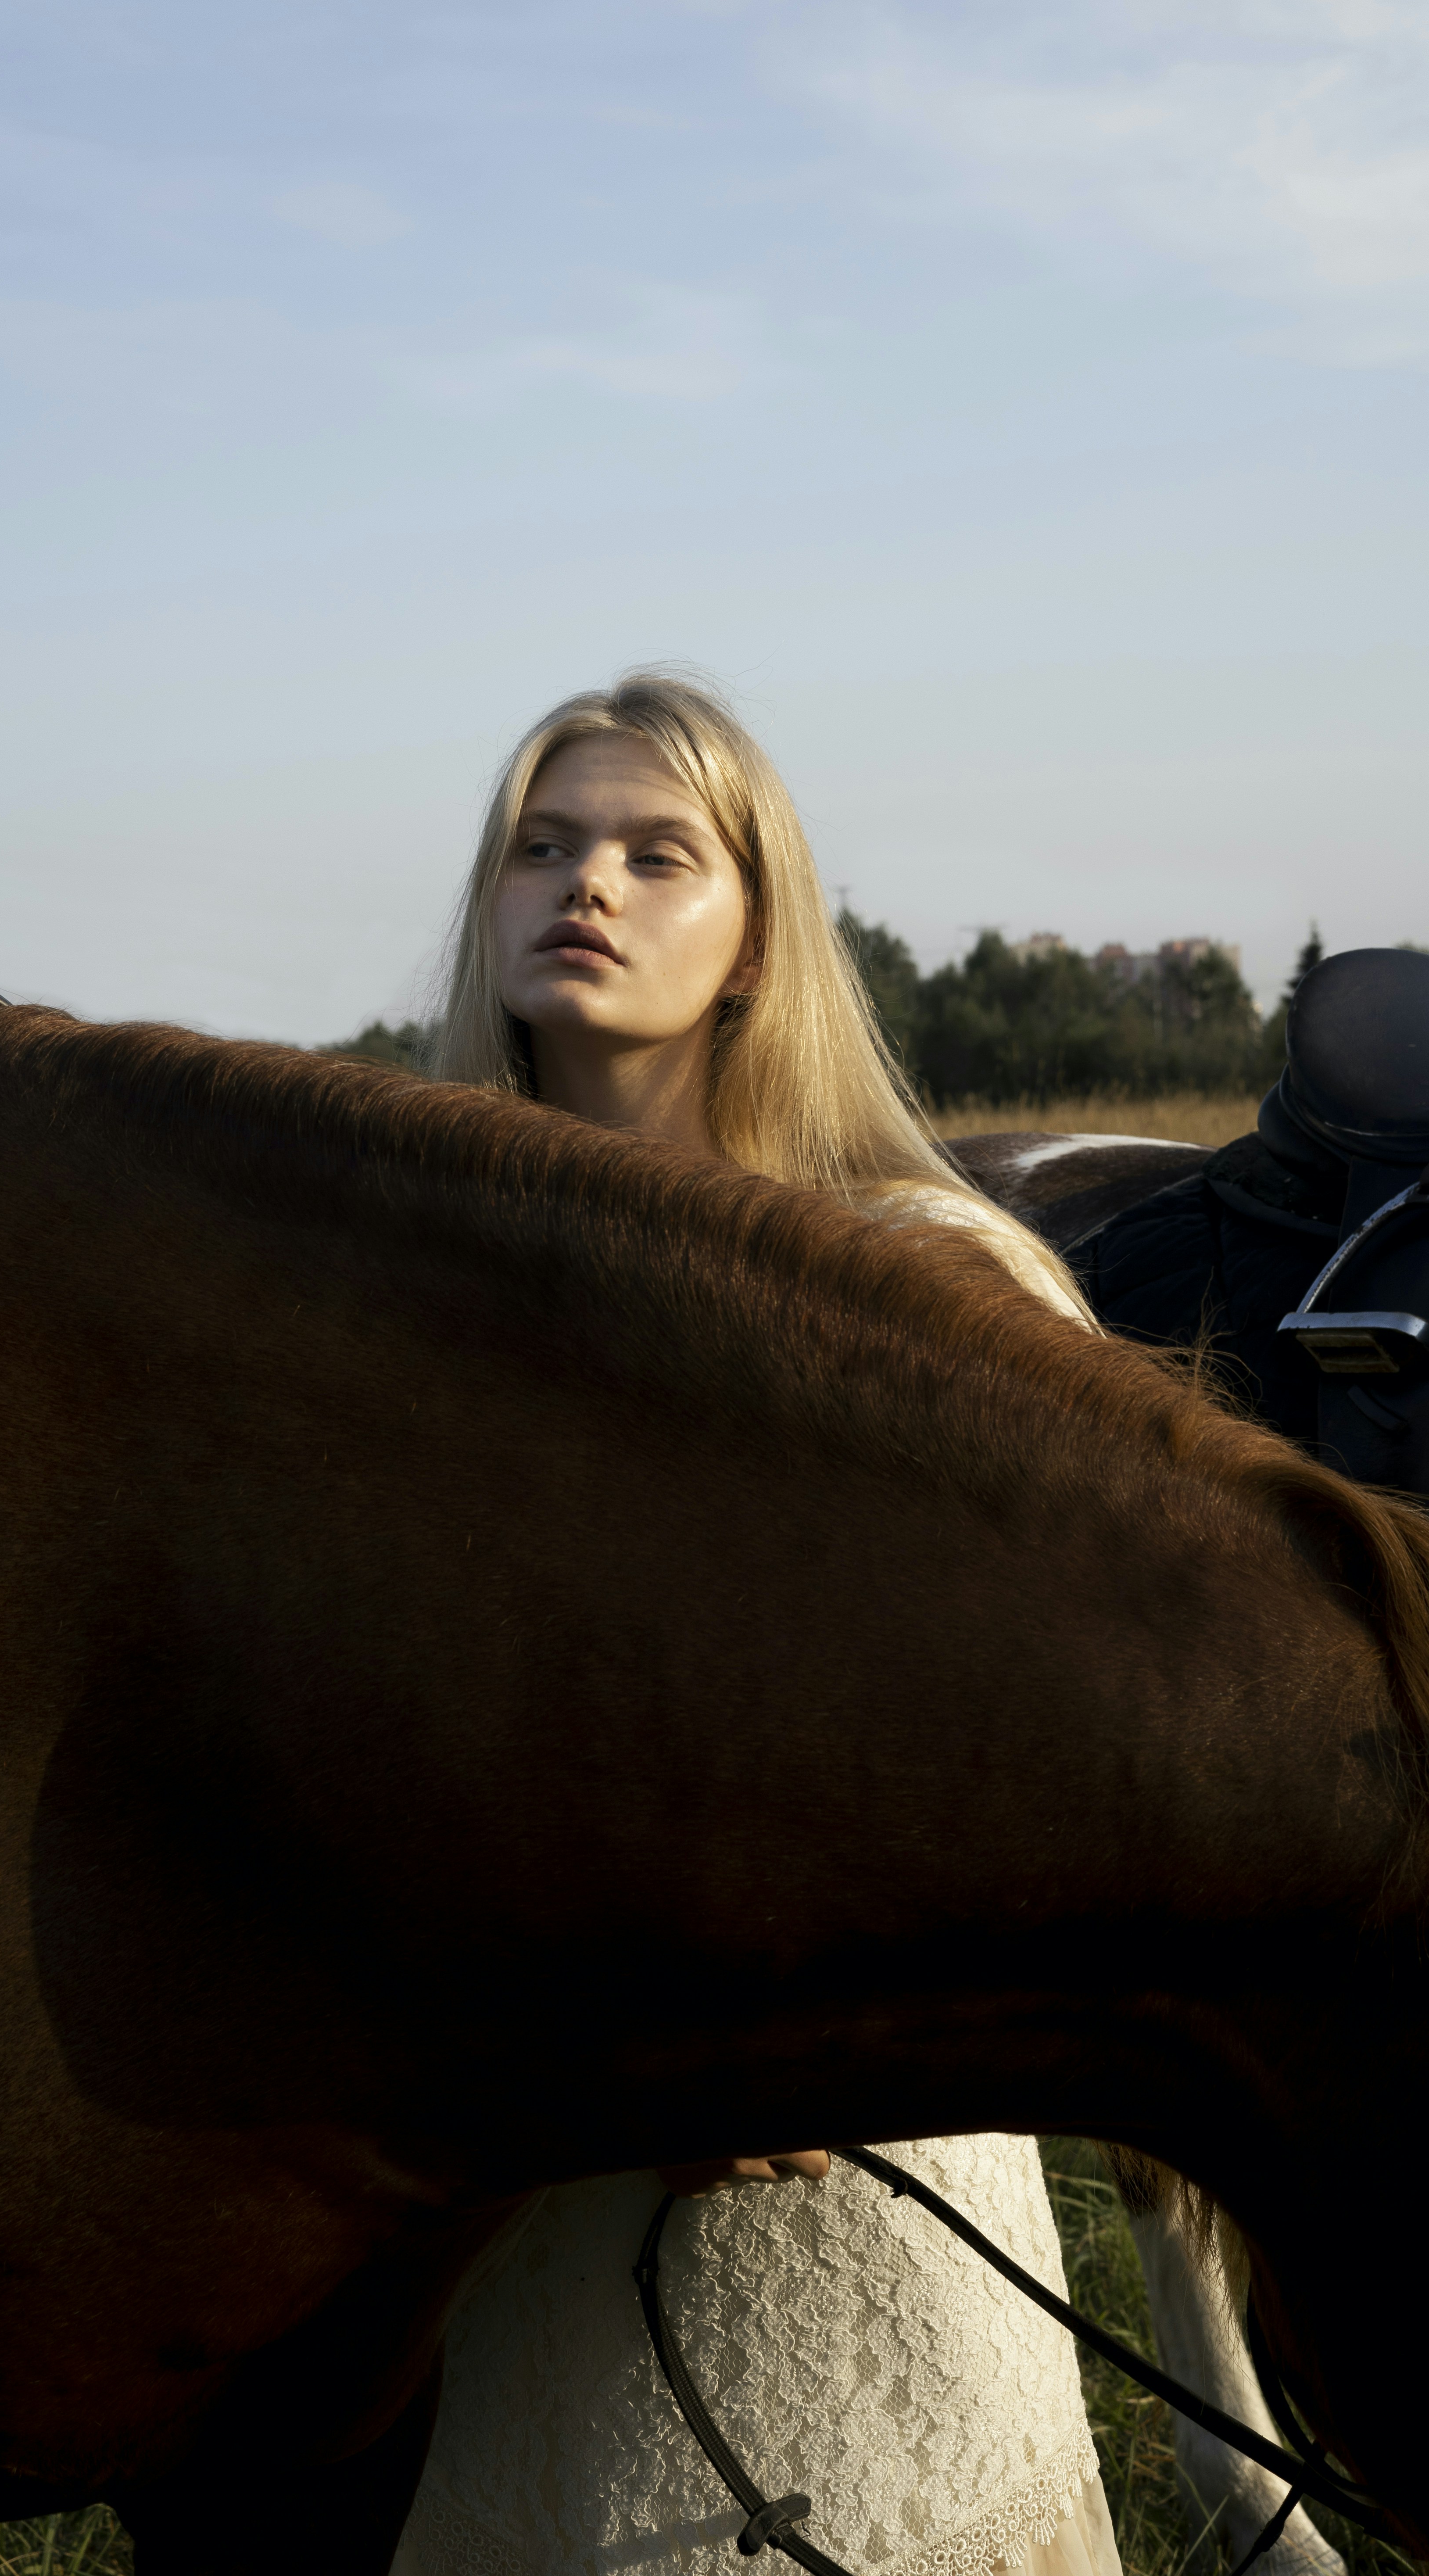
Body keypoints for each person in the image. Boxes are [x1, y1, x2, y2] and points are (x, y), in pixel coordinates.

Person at [392, 672, 1119, 2576]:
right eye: (540, 847)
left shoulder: (935, 1281)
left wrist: (831, 2023)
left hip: (866, 2174)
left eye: (656, 850)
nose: (589, 886)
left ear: (754, 936)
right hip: (527, 2189)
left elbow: (1092, 1748)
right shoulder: (409, 1312)